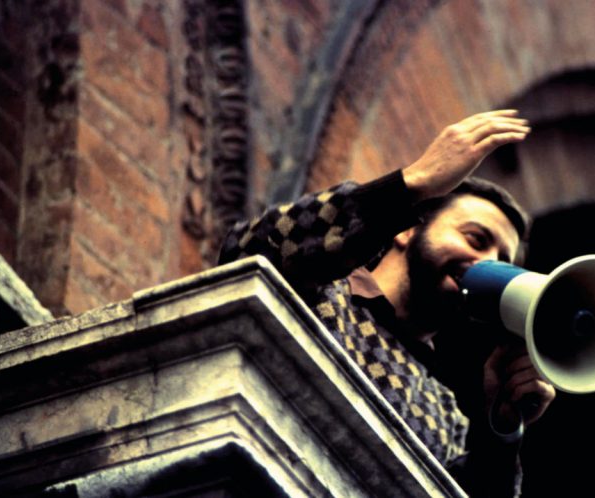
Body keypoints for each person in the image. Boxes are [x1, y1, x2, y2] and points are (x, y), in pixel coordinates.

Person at [218, 110, 556, 497]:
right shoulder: (318, 289)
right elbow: (249, 248)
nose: (486, 263)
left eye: (502, 263)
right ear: (407, 230)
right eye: (475, 239)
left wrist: (503, 429)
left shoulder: (444, 410)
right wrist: (410, 185)